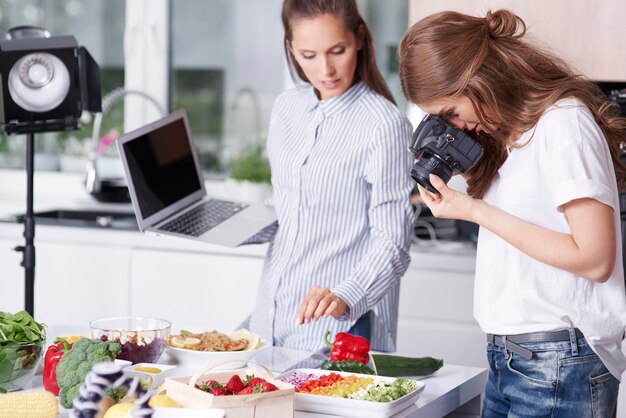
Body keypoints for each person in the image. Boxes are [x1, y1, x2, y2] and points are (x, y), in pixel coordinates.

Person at [398, 9, 626, 417]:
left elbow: (595, 258)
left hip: (558, 362)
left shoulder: (564, 124)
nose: (457, 125)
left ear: (479, 80)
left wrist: (474, 210)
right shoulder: (510, 135)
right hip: (512, 358)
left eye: (451, 112)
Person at [246, 0, 415, 352]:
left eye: (336, 51)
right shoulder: (286, 108)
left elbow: (393, 243)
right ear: (291, 49)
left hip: (340, 330)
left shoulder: (383, 124)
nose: (326, 69)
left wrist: (345, 295)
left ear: (359, 38)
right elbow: (287, 207)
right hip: (271, 321)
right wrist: (227, 226)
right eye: (308, 55)